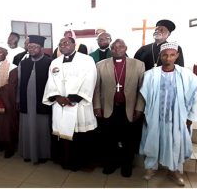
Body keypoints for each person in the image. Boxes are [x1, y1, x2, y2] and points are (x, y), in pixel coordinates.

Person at [139, 42, 197, 186]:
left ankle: (175, 170)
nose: (168, 58)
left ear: (177, 56)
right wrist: (145, 114)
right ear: (160, 56)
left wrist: (190, 117)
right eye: (165, 55)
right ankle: (151, 167)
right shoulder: (150, 75)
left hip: (177, 118)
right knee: (153, 140)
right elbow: (144, 97)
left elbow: (193, 98)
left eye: (172, 55)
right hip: (155, 116)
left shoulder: (186, 75)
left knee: (176, 143)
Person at [43, 36, 97, 171]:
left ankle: (80, 163)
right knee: (62, 133)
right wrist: (56, 96)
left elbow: (91, 79)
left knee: (79, 135)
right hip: (59, 104)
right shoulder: (55, 62)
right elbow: (50, 81)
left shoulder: (86, 60)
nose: (63, 45)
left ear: (75, 44)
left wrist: (74, 98)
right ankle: (64, 160)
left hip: (78, 104)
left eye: (66, 43)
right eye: (60, 44)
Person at [93, 39, 145, 177]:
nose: (117, 49)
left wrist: (139, 108)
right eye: (114, 47)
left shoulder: (138, 65)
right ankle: (111, 163)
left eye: (120, 47)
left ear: (125, 48)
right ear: (111, 49)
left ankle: (127, 165)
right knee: (109, 138)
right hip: (108, 108)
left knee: (129, 139)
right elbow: (96, 88)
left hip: (129, 108)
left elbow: (142, 89)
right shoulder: (100, 65)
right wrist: (97, 106)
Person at [18, 35, 52, 164]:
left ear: (42, 48)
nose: (31, 49)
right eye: (29, 47)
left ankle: (43, 155)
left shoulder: (49, 62)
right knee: (26, 127)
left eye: (34, 47)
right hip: (26, 101)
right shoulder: (23, 63)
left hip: (42, 102)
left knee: (42, 128)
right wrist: (18, 100)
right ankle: (27, 153)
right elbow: (20, 83)